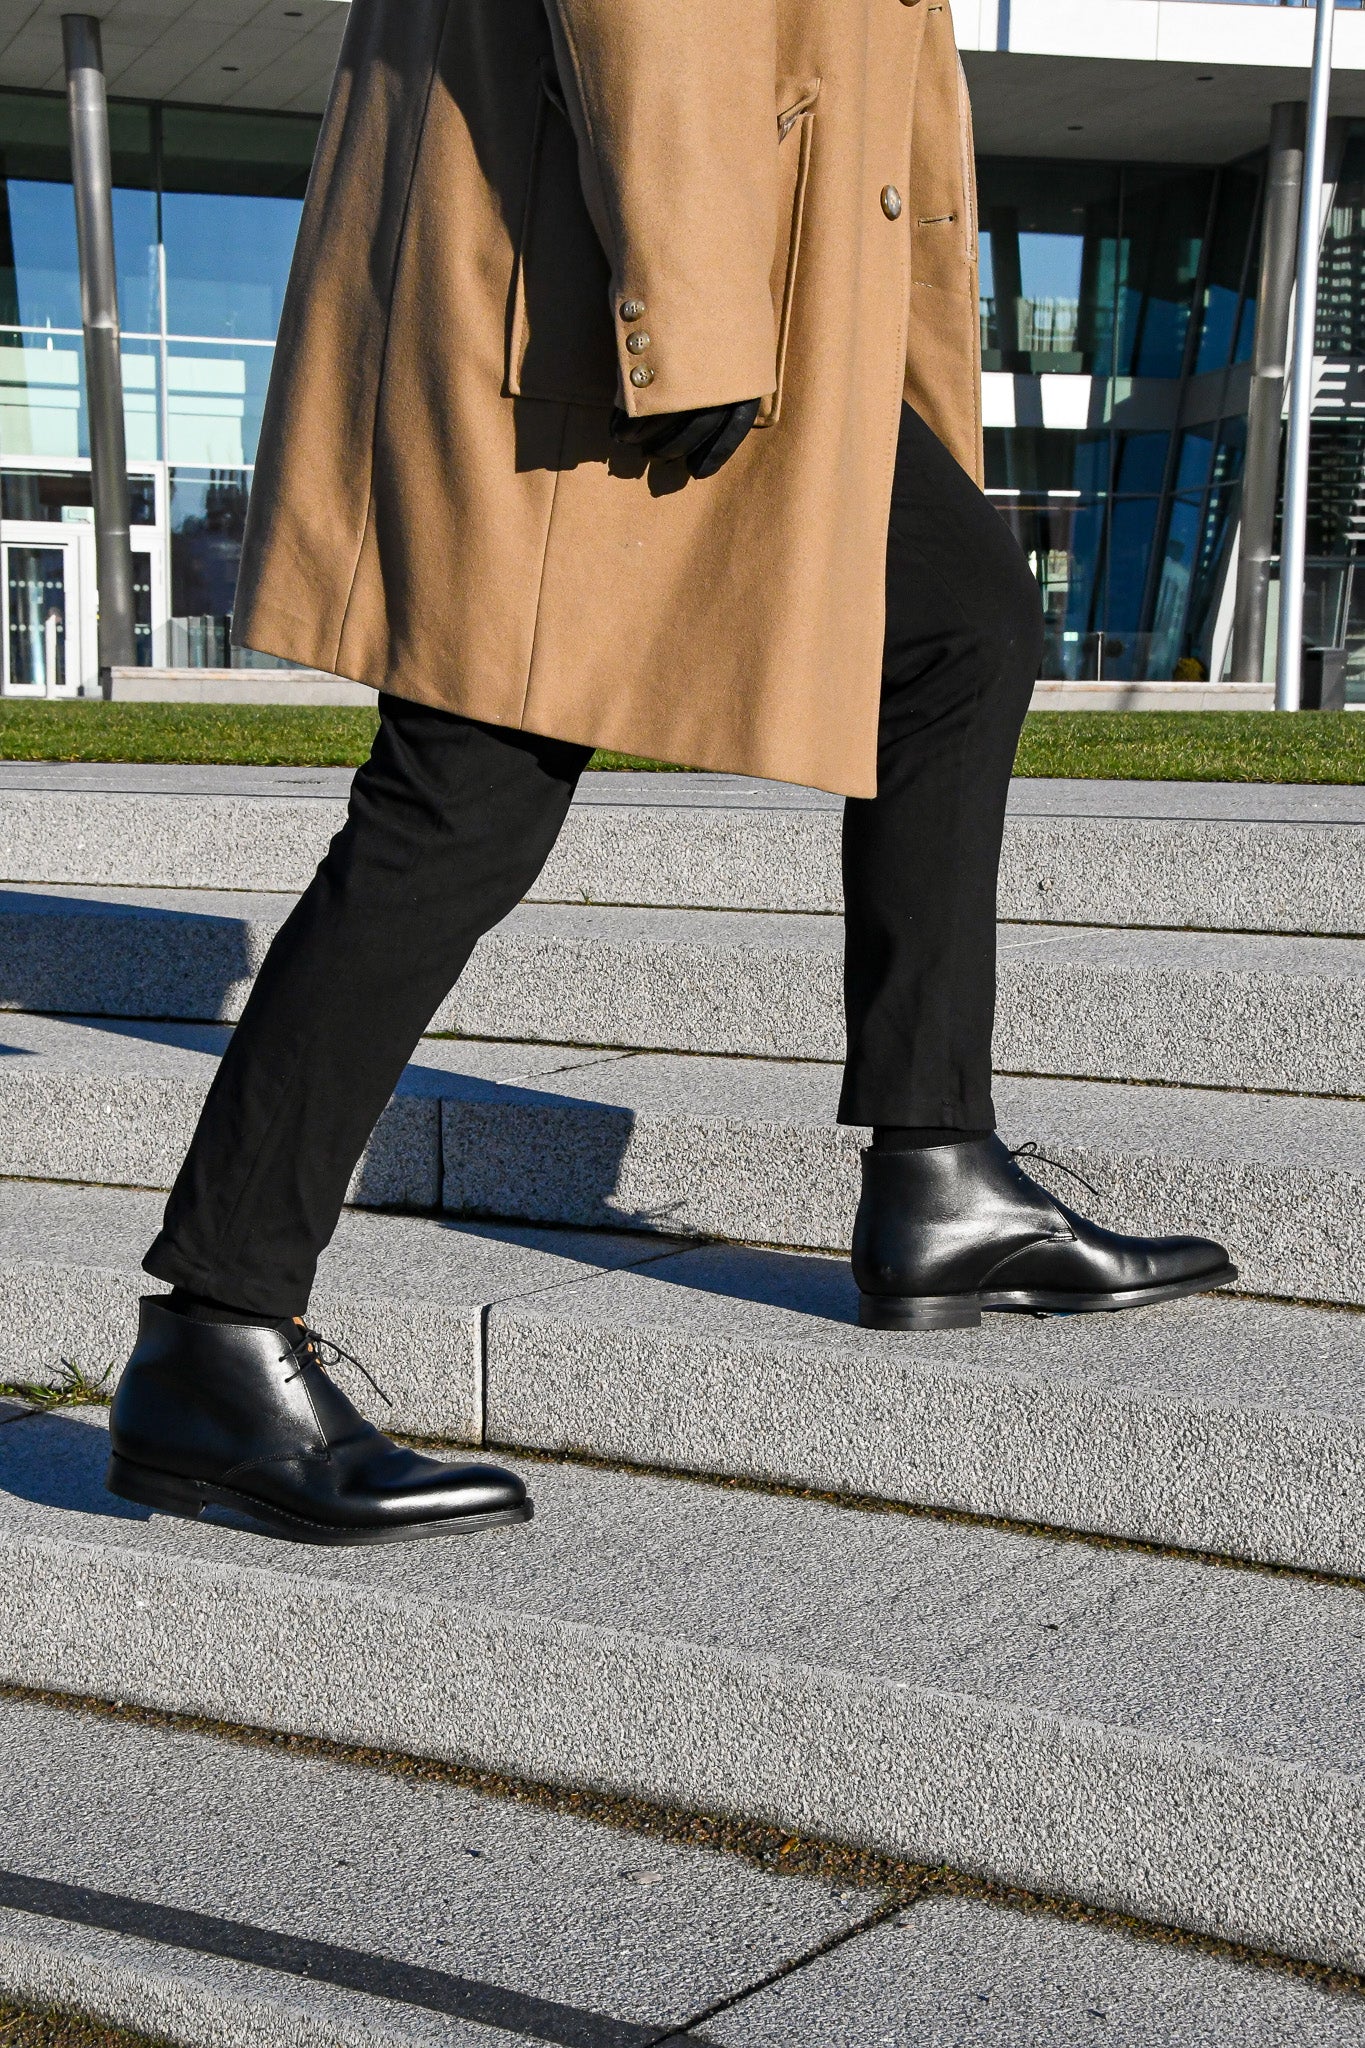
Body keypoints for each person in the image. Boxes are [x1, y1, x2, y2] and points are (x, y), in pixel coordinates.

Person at [107, 0, 1235, 1546]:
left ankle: (941, 1172)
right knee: (466, 790)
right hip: (610, 270)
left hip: (672, 262)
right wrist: (692, 297)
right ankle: (215, 1335)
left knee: (958, 623)